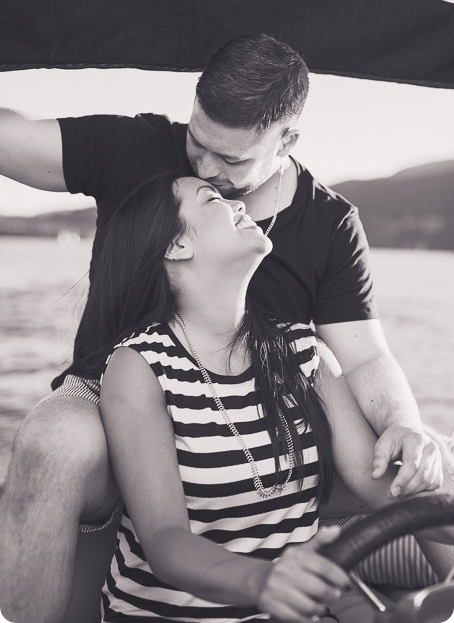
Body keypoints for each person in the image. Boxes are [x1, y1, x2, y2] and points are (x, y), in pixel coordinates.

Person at [0, 34, 446, 623]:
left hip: (266, 391)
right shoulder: (137, 149)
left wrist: (406, 429)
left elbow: (365, 359)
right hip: (113, 383)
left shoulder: (328, 231)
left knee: (431, 456)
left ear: (286, 141)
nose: (203, 168)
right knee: (55, 439)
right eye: (196, 142)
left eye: (229, 162)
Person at [89, 172, 454, 623]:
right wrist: (267, 583)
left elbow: (377, 481)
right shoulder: (139, 365)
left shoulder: (305, 353)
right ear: (177, 245)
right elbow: (165, 542)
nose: (239, 204)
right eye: (212, 199)